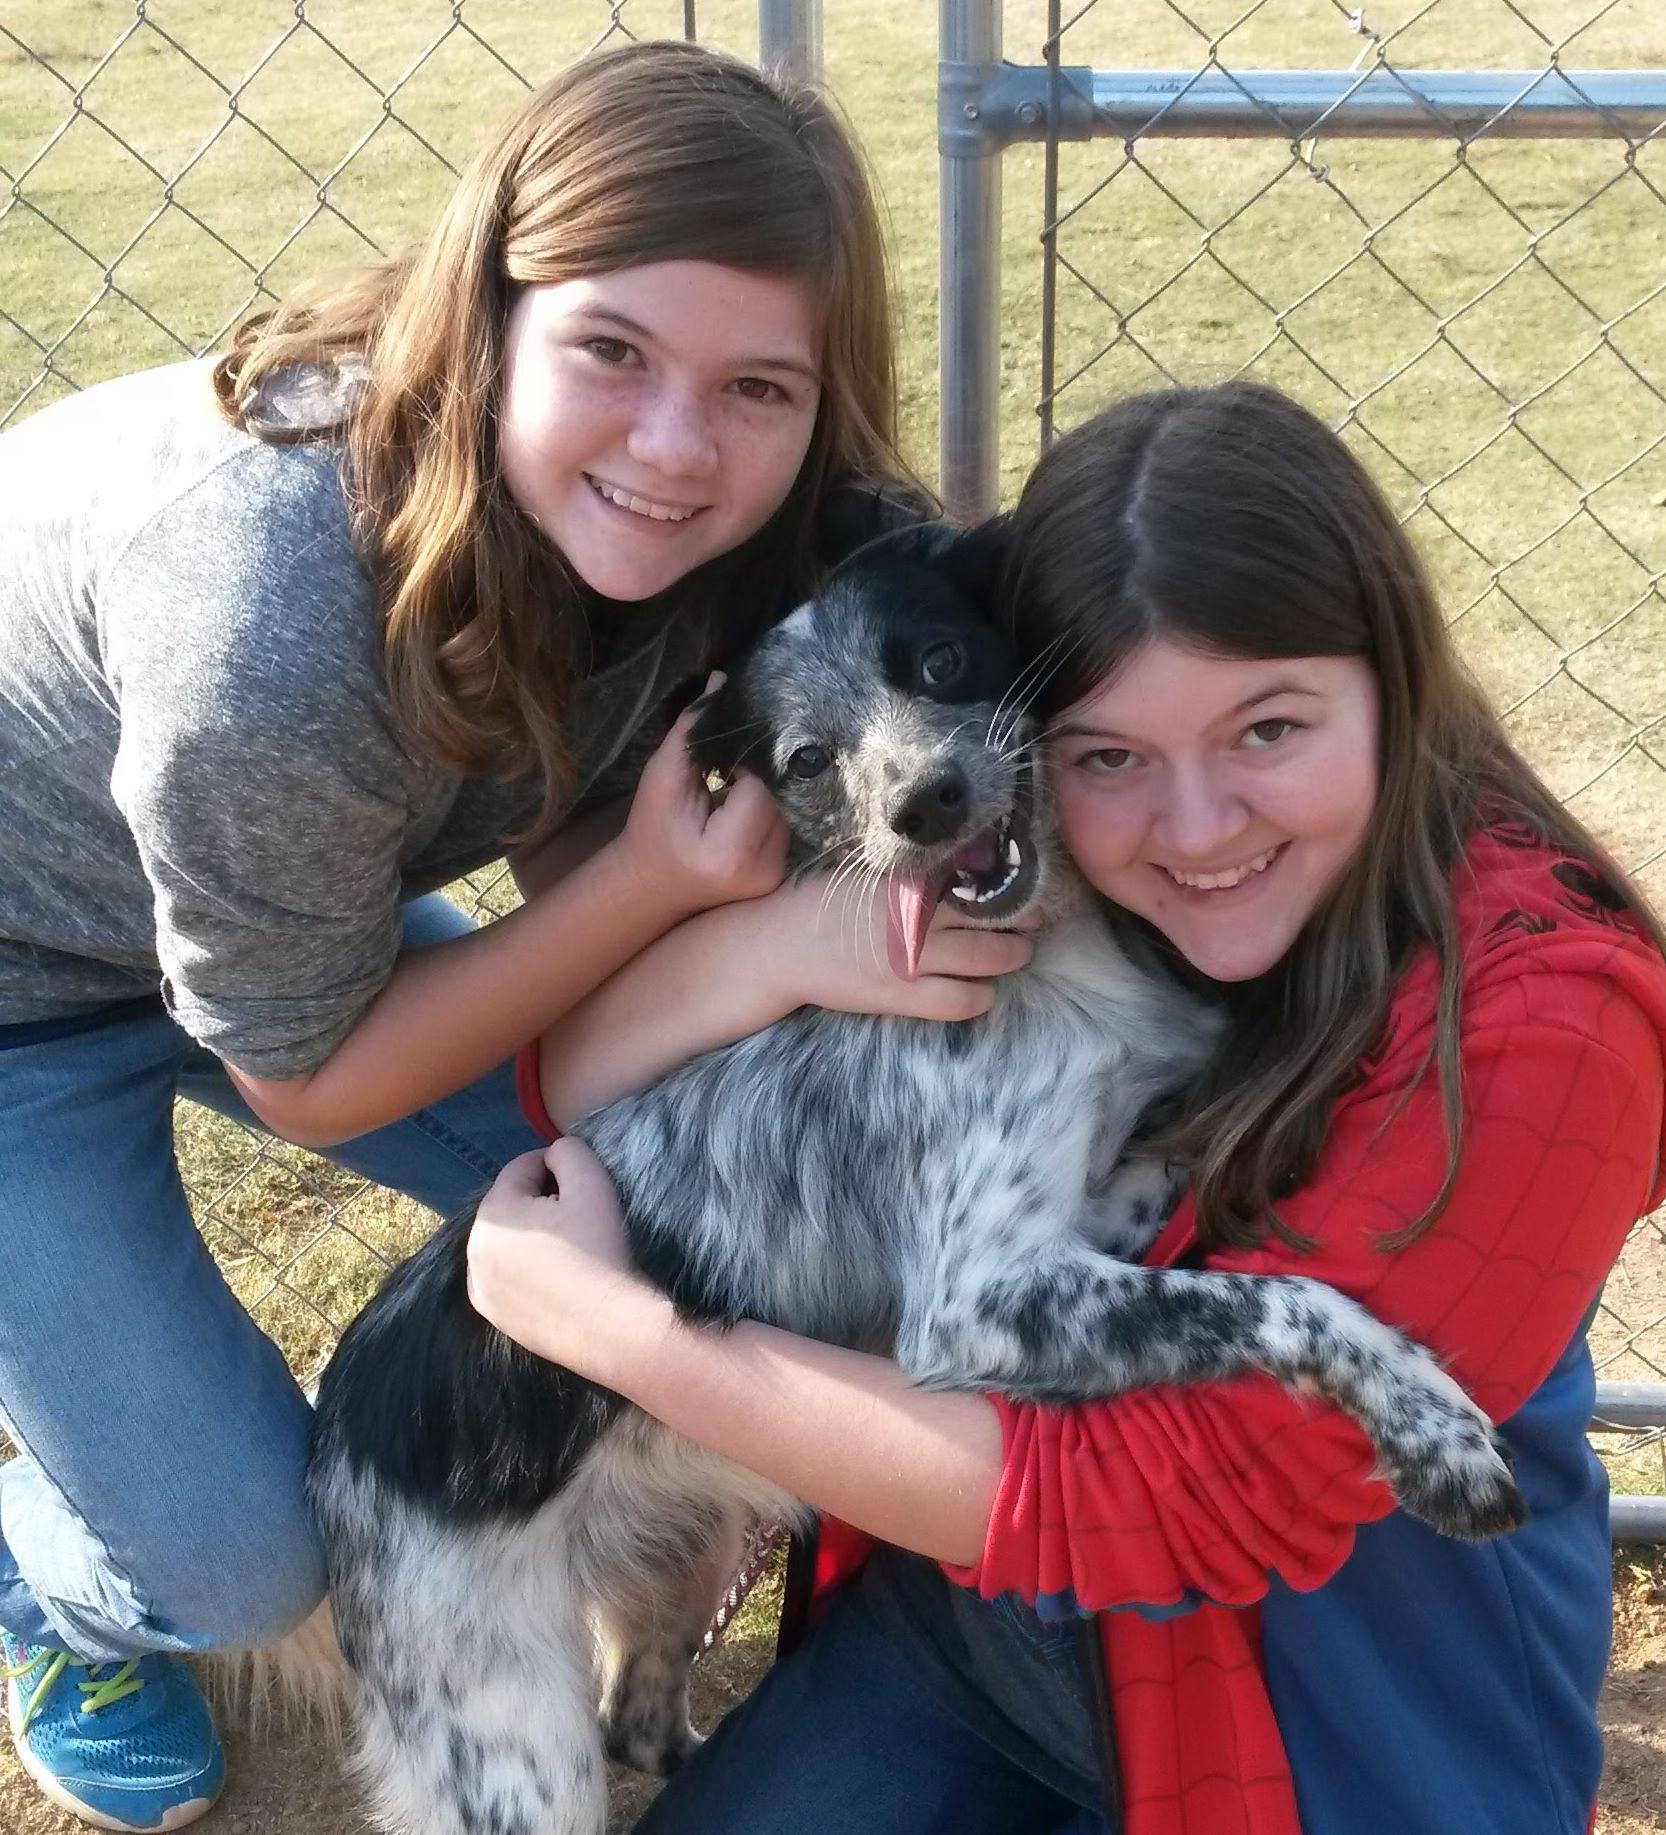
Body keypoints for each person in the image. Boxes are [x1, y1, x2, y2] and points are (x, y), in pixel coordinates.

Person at [464, 380, 1666, 1835]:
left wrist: (633, 1338)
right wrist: (761, 948)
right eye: (1110, 752)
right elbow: (588, 1075)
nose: (1197, 827)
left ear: (1394, 672)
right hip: (987, 1615)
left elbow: (1169, 1504)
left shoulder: (1547, 1022)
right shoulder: (1005, 861)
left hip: (1322, 1699)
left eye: (1270, 728)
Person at [0, 41, 1007, 1833]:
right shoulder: (266, 612)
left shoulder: (766, 513)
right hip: (26, 993)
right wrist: (648, 893)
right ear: (491, 308)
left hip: (293, 899)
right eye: (611, 351)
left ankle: (629, 1589)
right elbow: (311, 1077)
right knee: (242, 1566)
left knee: (677, 1239)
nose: (679, 446)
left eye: (757, 387)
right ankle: (59, 1565)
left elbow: (575, 765)